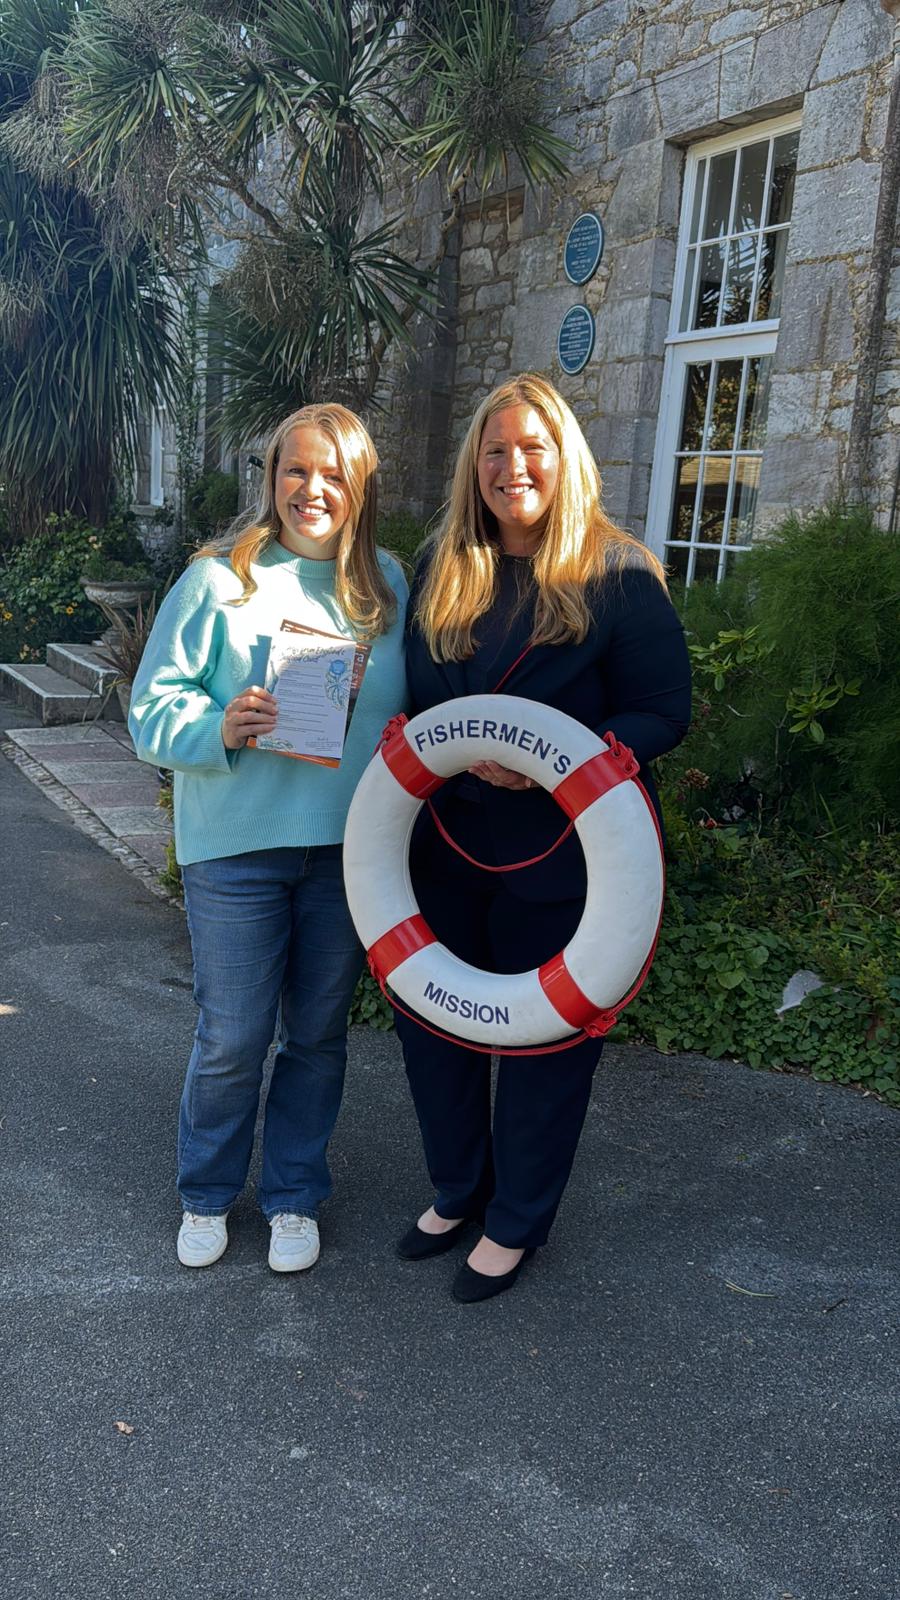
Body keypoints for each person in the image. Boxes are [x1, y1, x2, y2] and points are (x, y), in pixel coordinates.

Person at [394, 373, 691, 1302]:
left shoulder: (618, 574)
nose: (511, 466)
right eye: (495, 450)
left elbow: (663, 711)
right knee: (435, 1033)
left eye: (531, 448)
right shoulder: (445, 564)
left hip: (560, 860)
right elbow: (412, 700)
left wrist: (558, 763)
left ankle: (516, 1220)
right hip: (443, 847)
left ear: (565, 459)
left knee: (542, 1049)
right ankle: (458, 1190)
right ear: (472, 465)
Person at [129, 404, 408, 1271]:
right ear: (272, 477)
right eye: (296, 469)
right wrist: (221, 725)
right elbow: (150, 710)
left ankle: (293, 1196)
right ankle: (207, 1191)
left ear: (361, 486)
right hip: (237, 846)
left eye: (333, 473)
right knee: (233, 1037)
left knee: (317, 1035)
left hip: (346, 849)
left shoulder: (389, 586)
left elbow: (414, 711)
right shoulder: (219, 579)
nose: (312, 489)